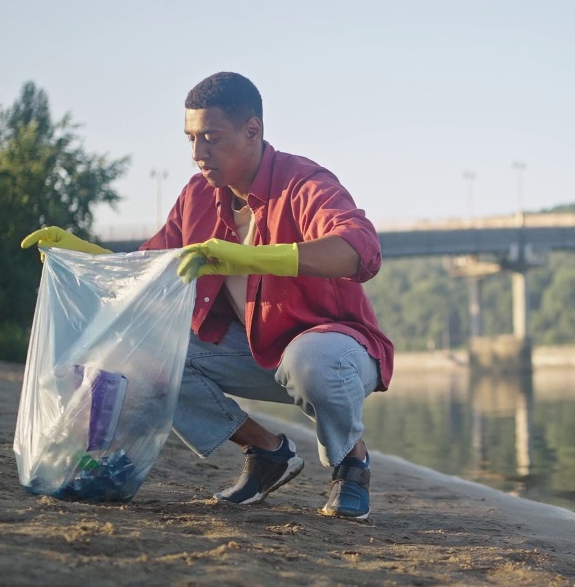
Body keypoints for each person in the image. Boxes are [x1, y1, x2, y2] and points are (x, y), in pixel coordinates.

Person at [21, 71, 393, 521]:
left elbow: (360, 250)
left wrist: (246, 258)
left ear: (252, 131)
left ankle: (351, 463)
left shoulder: (304, 183)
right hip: (256, 353)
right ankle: (267, 451)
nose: (198, 153)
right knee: (143, 351)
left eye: (211, 138)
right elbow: (149, 270)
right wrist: (81, 253)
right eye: (191, 138)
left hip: (335, 354)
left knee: (311, 358)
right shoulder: (198, 197)